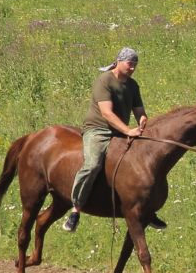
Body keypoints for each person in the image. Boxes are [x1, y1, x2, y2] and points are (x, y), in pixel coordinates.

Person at [62, 46, 146, 232]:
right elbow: (107, 114)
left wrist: (142, 121)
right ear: (119, 61)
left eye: (135, 65)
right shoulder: (104, 80)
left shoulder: (132, 85)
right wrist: (128, 130)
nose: (132, 68)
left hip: (121, 132)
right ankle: (76, 208)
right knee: (92, 164)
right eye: (130, 64)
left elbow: (139, 111)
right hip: (98, 130)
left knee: (143, 162)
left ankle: (146, 209)